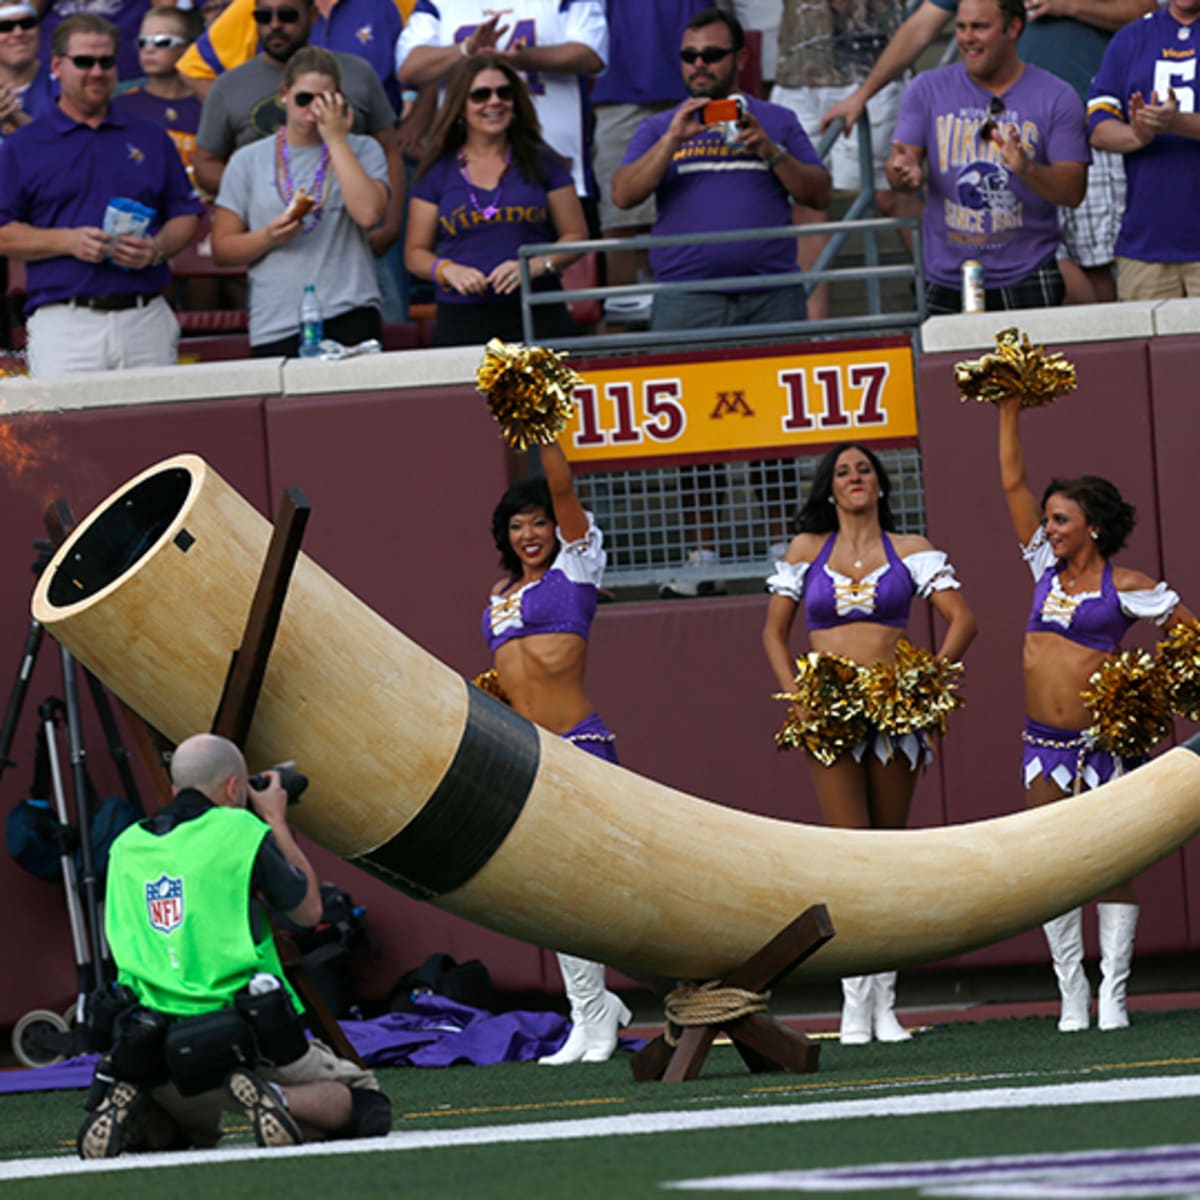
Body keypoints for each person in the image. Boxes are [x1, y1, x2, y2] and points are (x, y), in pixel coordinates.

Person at [78, 733, 391, 1158]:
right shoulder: (240, 830)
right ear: (232, 788)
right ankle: (276, 1098)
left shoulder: (126, 846)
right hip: (244, 1040)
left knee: (172, 1139)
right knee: (366, 1102)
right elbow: (309, 912)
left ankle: (136, 1107)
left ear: (175, 790)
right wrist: (275, 820)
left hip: (154, 1048)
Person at [761, 442, 976, 1044]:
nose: (854, 478)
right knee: (849, 853)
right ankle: (855, 998)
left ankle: (886, 1002)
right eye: (842, 472)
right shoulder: (807, 550)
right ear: (830, 489)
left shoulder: (911, 550)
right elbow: (774, 634)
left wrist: (925, 681)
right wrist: (797, 698)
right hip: (830, 714)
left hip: (894, 713)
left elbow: (964, 620)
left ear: (880, 485)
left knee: (887, 855)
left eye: (864, 471)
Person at [995, 397, 1194, 1032]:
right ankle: (1071, 992)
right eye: (1048, 519)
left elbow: (1189, 636)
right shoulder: (1041, 571)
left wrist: (1155, 691)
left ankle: (1114, 992)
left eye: (1061, 519)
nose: (1049, 528)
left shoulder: (1127, 583)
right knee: (1053, 866)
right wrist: (1008, 408)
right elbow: (1011, 481)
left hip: (1105, 743)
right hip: (1042, 744)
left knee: (1109, 866)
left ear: (1093, 527)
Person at [820, 0, 1153, 306]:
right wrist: (863, 93)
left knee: (1095, 268)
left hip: (1081, 121)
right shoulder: (934, 86)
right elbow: (921, 27)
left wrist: (1069, 5)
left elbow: (1144, 10)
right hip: (1000, 126)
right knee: (1041, 270)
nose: (967, 36)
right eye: (964, 29)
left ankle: (1103, 362)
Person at [482, 440, 630, 1065]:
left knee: (585, 886)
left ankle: (600, 1014)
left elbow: (564, 488)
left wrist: (541, 426)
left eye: (538, 521)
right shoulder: (498, 593)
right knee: (551, 891)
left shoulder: (578, 567)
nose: (529, 533)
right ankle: (589, 1015)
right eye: (516, 526)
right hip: (527, 753)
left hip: (579, 745)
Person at [0, 14, 202, 377]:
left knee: (157, 431)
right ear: (58, 66)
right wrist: (68, 241)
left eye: (106, 62)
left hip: (146, 316)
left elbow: (185, 212)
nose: (96, 71)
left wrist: (157, 248)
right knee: (68, 435)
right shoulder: (22, 146)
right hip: (65, 322)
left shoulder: (151, 135)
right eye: (84, 62)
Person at [612, 6, 829, 331]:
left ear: (741, 59)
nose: (699, 64)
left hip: (771, 296)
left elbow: (820, 194)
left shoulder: (777, 120)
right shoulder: (658, 127)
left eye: (712, 55)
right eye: (689, 56)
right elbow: (623, 195)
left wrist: (771, 152)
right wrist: (672, 140)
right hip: (686, 299)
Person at [885, 0, 1088, 316]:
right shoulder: (926, 88)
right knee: (950, 366)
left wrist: (1027, 169)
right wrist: (901, 172)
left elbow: (1073, 192)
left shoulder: (1057, 96)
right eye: (961, 27)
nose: (967, 38)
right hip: (946, 275)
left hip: (1028, 270)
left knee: (1026, 367)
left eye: (980, 27)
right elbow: (899, 166)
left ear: (1014, 29)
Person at [191, 0, 404, 289]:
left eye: (287, 15)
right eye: (263, 16)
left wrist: (391, 223)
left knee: (382, 322)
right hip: (275, 244)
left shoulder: (357, 73)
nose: (275, 24)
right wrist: (259, 194)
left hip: (356, 236)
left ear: (313, 14)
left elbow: (389, 148)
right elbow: (205, 162)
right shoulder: (229, 85)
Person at [211, 45, 389, 354]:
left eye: (324, 101)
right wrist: (267, 237)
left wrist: (336, 139)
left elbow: (369, 214)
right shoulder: (247, 160)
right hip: (277, 320)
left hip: (350, 308)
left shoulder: (363, 149)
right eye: (304, 99)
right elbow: (223, 248)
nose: (312, 111)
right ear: (284, 94)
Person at [404, 53, 585, 346]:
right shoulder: (436, 172)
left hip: (537, 312)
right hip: (462, 317)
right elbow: (414, 253)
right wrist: (448, 270)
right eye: (480, 95)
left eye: (504, 93)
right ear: (460, 107)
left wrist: (535, 266)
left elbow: (576, 235)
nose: (494, 101)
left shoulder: (544, 161)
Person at [770, 0, 923, 321]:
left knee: (889, 194)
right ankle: (814, 335)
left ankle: (952, 288)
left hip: (872, 65)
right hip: (798, 70)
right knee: (808, 203)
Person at [394, 0, 608, 212]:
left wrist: (525, 58)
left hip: (557, 172)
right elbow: (409, 67)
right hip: (464, 177)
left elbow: (592, 53)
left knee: (569, 237)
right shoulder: (437, 3)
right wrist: (465, 49)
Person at [590, 0, 710, 319]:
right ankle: (623, 322)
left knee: (696, 211)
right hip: (618, 86)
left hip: (699, 82)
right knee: (620, 218)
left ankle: (692, 315)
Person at [1086, 0, 1200, 300]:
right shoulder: (1131, 37)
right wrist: (1137, 134)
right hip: (1145, 248)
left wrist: (1177, 123)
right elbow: (1098, 128)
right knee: (1147, 346)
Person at [112, 6, 204, 179]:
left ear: (190, 48)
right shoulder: (120, 104)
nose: (148, 49)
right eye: (142, 42)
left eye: (162, 41)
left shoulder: (208, 105)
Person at [0, 1, 56, 140]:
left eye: (27, 23)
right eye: (5, 27)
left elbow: (73, 151)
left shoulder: (65, 81)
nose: (18, 33)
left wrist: (17, 119)